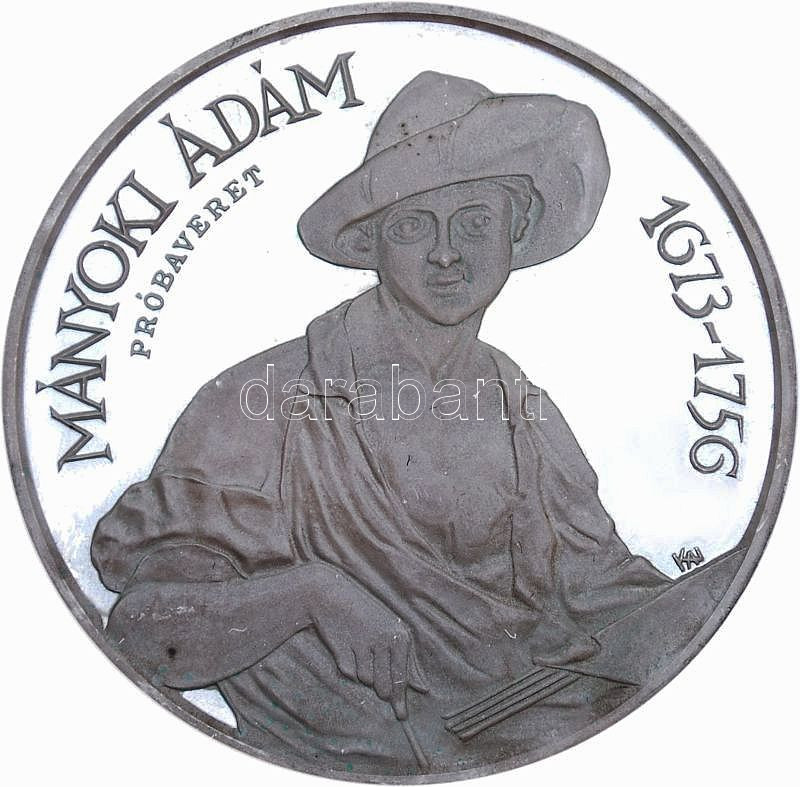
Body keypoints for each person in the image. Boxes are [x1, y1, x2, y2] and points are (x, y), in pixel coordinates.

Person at [91, 72, 670, 776]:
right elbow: (145, 635)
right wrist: (308, 593)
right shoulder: (259, 402)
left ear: (515, 232)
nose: (447, 252)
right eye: (413, 225)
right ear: (371, 243)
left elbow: (612, 602)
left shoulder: (526, 416)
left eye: (475, 222)